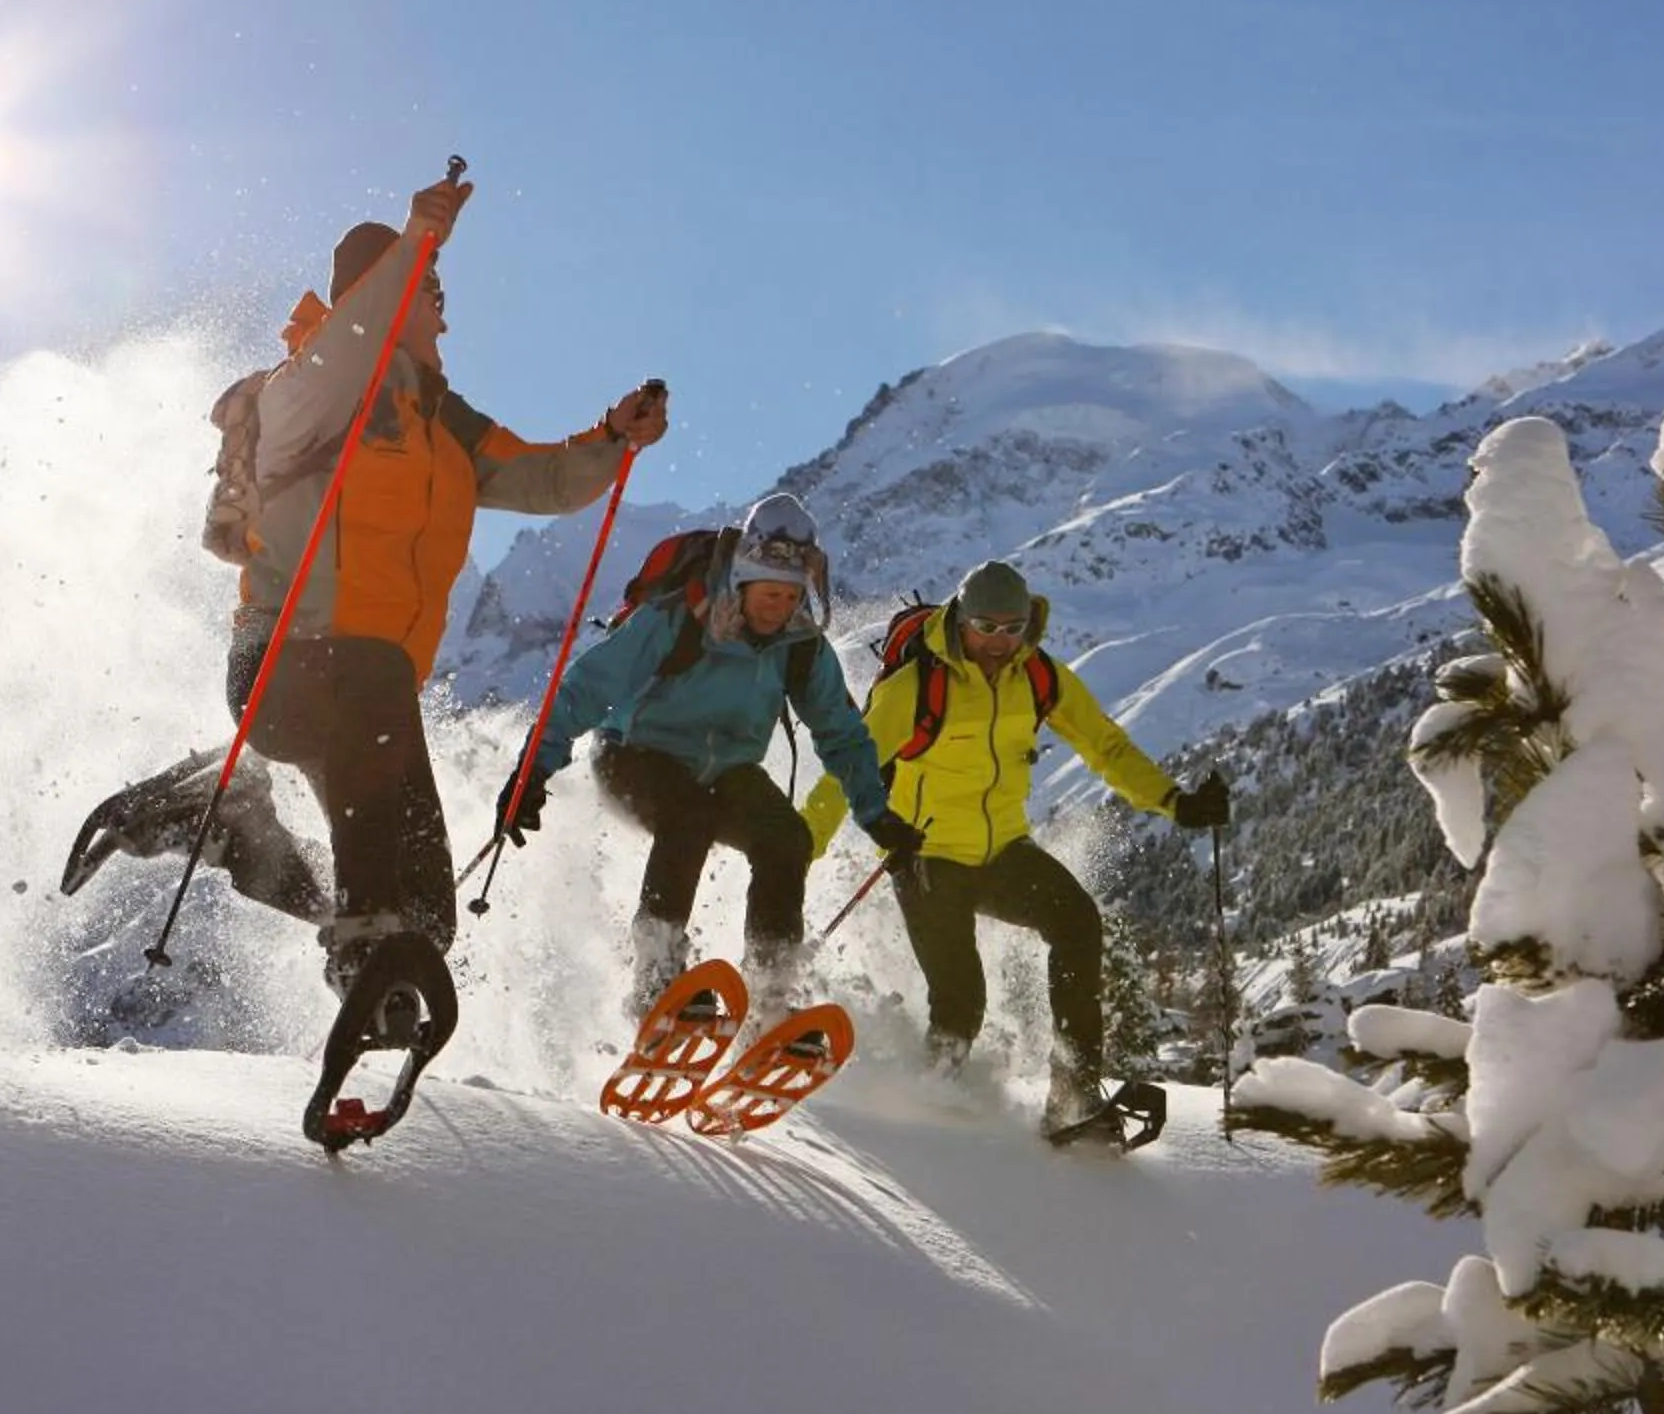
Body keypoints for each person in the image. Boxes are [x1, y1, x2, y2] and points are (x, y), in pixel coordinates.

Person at [108, 166, 668, 1019]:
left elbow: (544, 478)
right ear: (391, 290)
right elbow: (357, 335)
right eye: (432, 293)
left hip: (374, 700)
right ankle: (362, 945)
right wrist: (416, 244)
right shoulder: (308, 389)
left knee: (427, 913)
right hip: (286, 669)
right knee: (379, 836)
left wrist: (612, 440)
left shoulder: (444, 422)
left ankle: (244, 835)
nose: (444, 311)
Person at [807, 558, 1228, 1137]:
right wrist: (801, 845)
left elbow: (1104, 745)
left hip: (1004, 850)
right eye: (986, 627)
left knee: (1078, 923)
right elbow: (849, 768)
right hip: (926, 856)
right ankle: (927, 1115)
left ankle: (1074, 1096)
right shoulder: (917, 688)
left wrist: (1176, 802)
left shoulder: (1039, 676)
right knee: (962, 1001)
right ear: (961, 621)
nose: (1000, 641)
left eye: (1013, 628)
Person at [494, 493, 924, 1013]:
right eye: (770, 593)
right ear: (742, 581)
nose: (780, 607)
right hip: (633, 753)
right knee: (689, 814)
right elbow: (586, 689)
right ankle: (657, 983)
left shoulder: (801, 645)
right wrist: (533, 770)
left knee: (788, 839)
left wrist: (877, 815)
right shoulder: (679, 615)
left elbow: (843, 734)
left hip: (726, 768)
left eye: (791, 596)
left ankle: (771, 996)